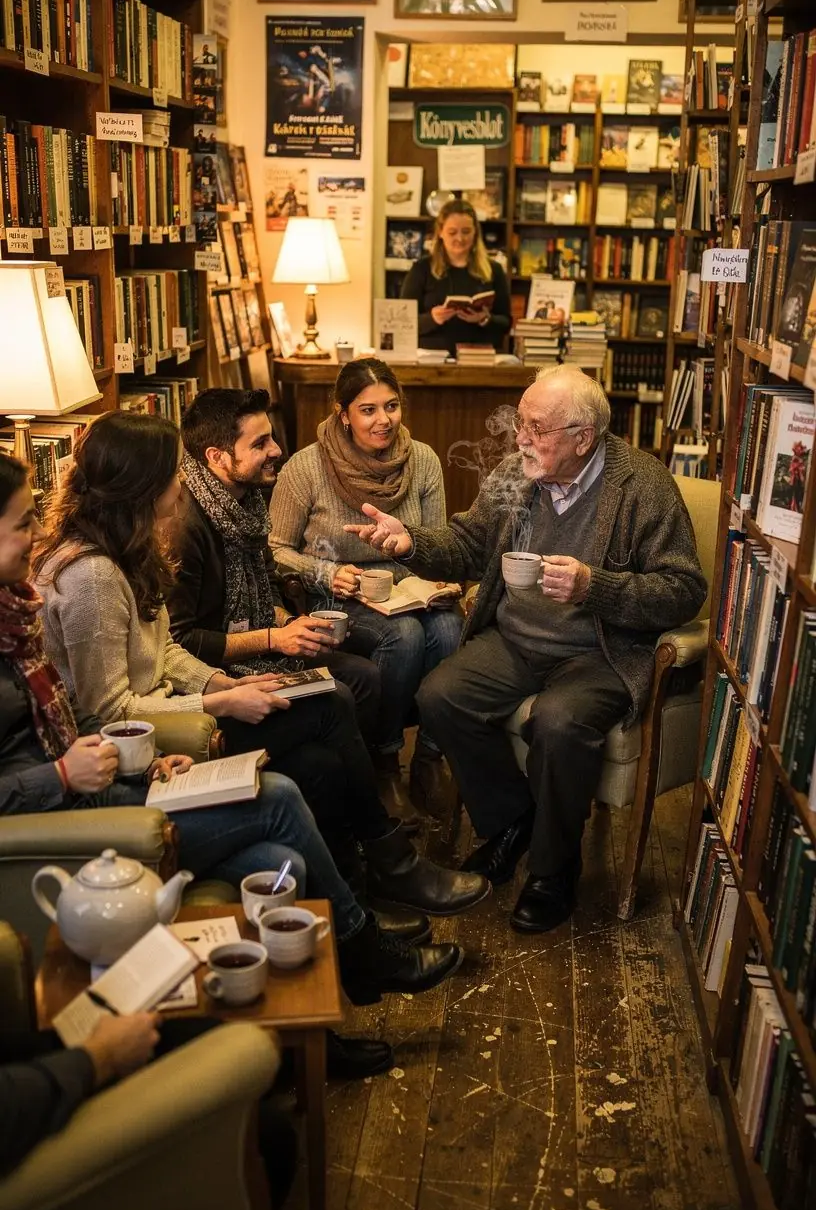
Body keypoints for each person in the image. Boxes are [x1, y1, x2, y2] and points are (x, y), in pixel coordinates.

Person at [0, 452, 466, 1054]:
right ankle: (364, 940)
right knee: (284, 791)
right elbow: (106, 707)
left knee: (283, 852)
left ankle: (316, 1033)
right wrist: (65, 773)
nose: (37, 534)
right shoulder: (86, 578)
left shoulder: (23, 610)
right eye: (20, 524)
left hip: (115, 773)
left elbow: (103, 699)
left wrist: (201, 706)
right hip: (74, 819)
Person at [32, 414, 488, 923]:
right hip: (163, 737)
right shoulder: (92, 576)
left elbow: (164, 653)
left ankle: (363, 892)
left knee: (323, 754)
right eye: (171, 472)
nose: (180, 482)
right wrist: (219, 700)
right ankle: (387, 874)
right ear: (140, 486)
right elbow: (109, 713)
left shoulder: (128, 550)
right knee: (333, 705)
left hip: (186, 706)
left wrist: (222, 682)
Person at [345, 366, 707, 935]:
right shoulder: (517, 473)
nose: (520, 439)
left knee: (559, 723)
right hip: (516, 639)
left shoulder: (642, 486)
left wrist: (596, 587)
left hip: (598, 653)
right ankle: (516, 820)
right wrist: (410, 542)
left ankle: (553, 870)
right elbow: (467, 543)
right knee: (441, 696)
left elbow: (684, 590)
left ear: (582, 437)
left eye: (536, 428)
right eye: (520, 423)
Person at [268, 359, 461, 822]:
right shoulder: (307, 467)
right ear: (343, 414)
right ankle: (386, 761)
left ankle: (430, 757)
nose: (384, 420)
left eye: (392, 407)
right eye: (368, 410)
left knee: (451, 627)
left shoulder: (424, 461)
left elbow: (435, 543)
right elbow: (273, 549)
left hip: (406, 588)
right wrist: (323, 572)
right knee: (407, 636)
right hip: (338, 595)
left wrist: (436, 576)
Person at [167, 387, 382, 747]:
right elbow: (182, 642)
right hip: (217, 672)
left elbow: (267, 588)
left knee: (367, 671)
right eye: (260, 443)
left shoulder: (248, 500)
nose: (276, 451)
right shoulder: (184, 525)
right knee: (341, 694)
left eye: (271, 438)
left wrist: (292, 624)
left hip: (259, 644)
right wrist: (275, 638)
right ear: (217, 456)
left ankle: (360, 772)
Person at [0, 1011, 298, 1210]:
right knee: (269, 1135)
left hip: (24, 1070)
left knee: (206, 1033)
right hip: (30, 1117)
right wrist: (103, 1055)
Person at [400, 198, 511, 356]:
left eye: (466, 232)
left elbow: (506, 323)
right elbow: (402, 323)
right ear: (440, 232)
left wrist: (485, 318)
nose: (459, 238)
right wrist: (432, 318)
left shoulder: (494, 270)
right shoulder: (421, 270)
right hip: (431, 359)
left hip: (479, 358)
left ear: (475, 232)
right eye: (452, 232)